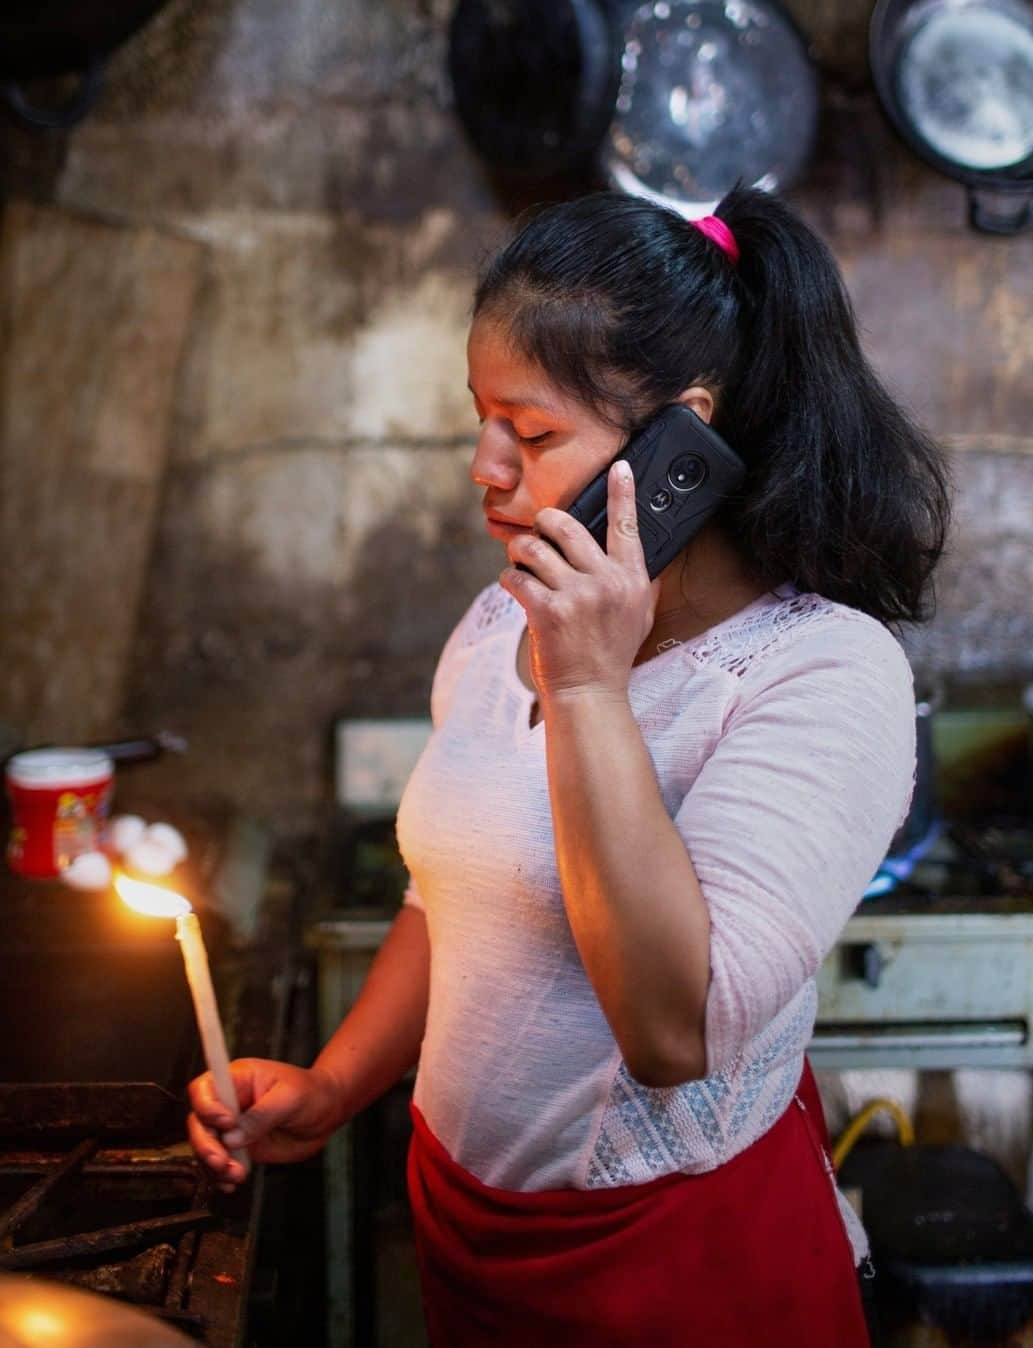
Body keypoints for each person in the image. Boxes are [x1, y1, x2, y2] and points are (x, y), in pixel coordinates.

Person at [188, 187, 950, 1346]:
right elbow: (452, 894)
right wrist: (337, 1085)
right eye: (481, 418)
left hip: (683, 1274)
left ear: (679, 442)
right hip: (473, 1240)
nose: (485, 468)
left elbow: (669, 1028)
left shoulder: (822, 674)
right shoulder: (502, 623)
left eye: (532, 434)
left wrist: (591, 686)